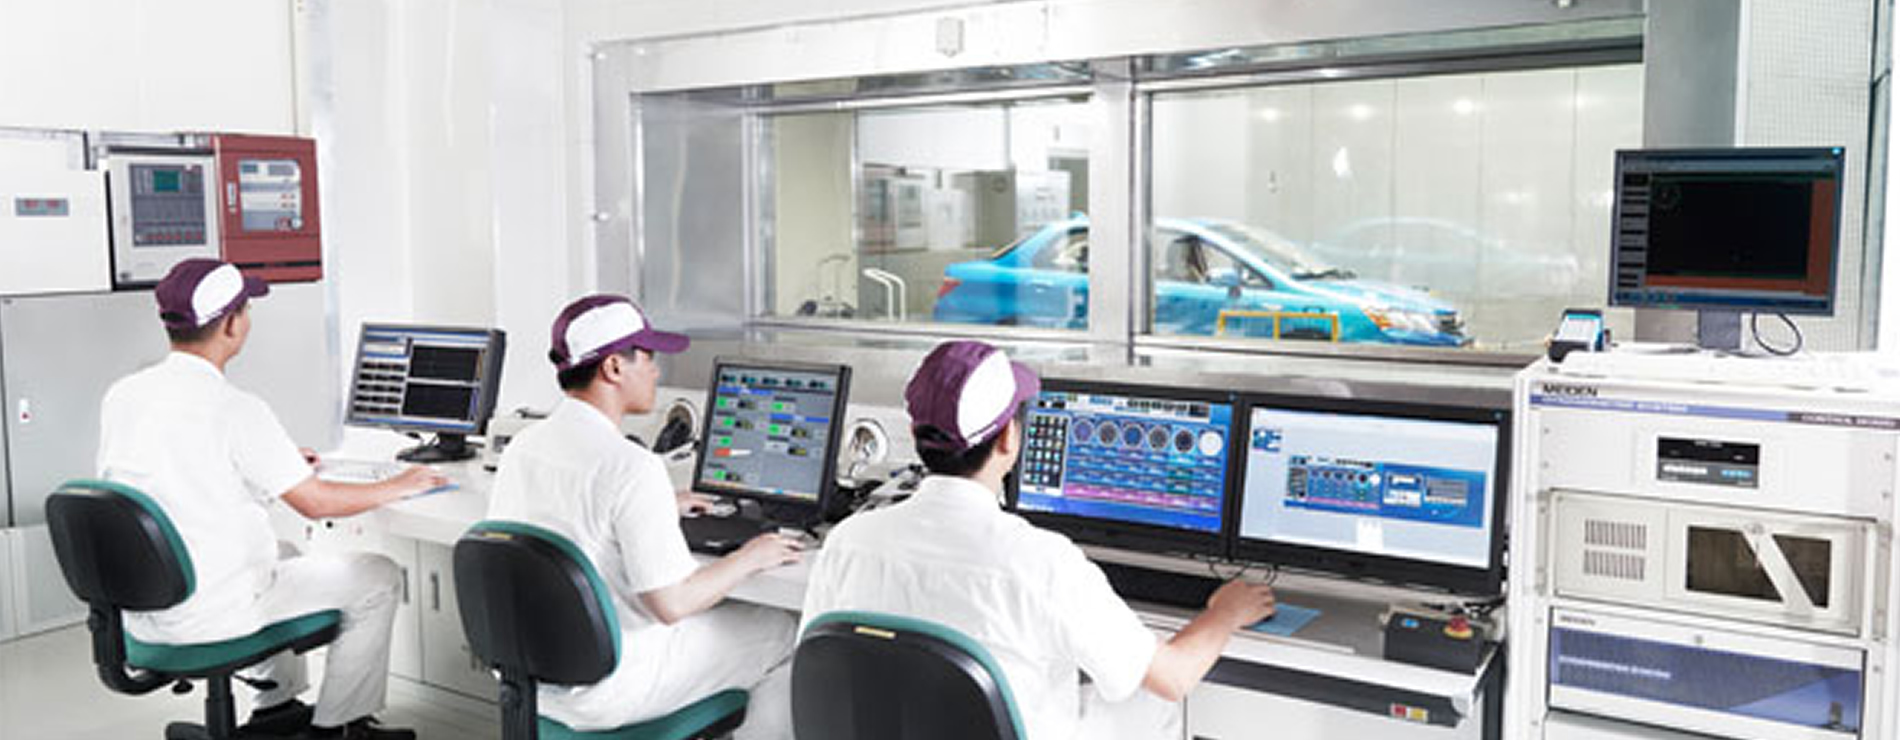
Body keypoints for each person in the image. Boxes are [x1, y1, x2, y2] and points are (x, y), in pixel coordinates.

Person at [801, 340, 1278, 740]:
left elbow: (822, 662)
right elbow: (1172, 677)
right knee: (1150, 702)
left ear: (914, 433)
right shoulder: (1040, 561)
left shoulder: (848, 541)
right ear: (1009, 439)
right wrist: (1225, 612)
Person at [97, 258, 446, 740]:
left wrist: (273, 463)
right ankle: (339, 728)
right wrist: (397, 484)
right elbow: (317, 503)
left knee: (284, 553)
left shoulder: (124, 395)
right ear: (231, 324)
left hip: (147, 613)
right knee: (377, 575)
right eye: (246, 310)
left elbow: (176, 474)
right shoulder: (234, 408)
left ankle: (274, 707)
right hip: (212, 614)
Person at [486, 294, 802, 738]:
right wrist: (751, 556)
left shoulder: (524, 446)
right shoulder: (631, 466)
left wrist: (656, 504)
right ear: (614, 367)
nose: (656, 371)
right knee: (784, 630)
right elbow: (672, 604)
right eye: (649, 358)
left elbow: (569, 519)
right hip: (613, 688)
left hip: (534, 683)